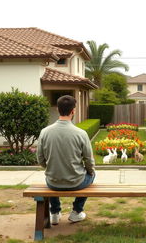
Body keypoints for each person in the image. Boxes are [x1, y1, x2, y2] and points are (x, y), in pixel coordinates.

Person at [37, 95, 95, 225]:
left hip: (53, 182)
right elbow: (88, 160)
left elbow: (40, 158)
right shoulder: (81, 133)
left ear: (58, 109)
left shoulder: (45, 132)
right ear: (73, 111)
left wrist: (48, 167)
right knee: (92, 174)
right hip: (77, 182)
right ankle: (76, 212)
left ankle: (55, 213)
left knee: (53, 173)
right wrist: (90, 171)